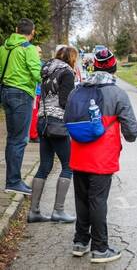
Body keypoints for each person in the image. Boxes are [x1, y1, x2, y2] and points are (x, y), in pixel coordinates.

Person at [67, 48, 137, 263]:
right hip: (102, 157)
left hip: (78, 154)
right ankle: (100, 248)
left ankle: (80, 242)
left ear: (94, 66)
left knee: (81, 199)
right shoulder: (117, 93)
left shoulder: (77, 90)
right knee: (98, 201)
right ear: (114, 68)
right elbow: (132, 133)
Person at [28, 46, 77, 223]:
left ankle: (34, 211)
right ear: (71, 58)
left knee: (44, 166)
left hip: (43, 121)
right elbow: (65, 101)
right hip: (58, 123)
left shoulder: (47, 70)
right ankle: (58, 211)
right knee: (68, 165)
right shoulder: (67, 73)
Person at [0, 18, 42, 195]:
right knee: (19, 140)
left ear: (16, 29)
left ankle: (12, 179)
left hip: (6, 93)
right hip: (22, 95)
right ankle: (14, 181)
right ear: (31, 33)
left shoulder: (3, 48)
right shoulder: (28, 49)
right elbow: (36, 73)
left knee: (12, 139)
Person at [29, 46, 44, 143]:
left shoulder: (42, 63)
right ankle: (33, 136)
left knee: (38, 115)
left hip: (40, 93)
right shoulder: (31, 62)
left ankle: (36, 133)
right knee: (34, 114)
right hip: (34, 93)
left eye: (40, 52)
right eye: (38, 52)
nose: (40, 54)